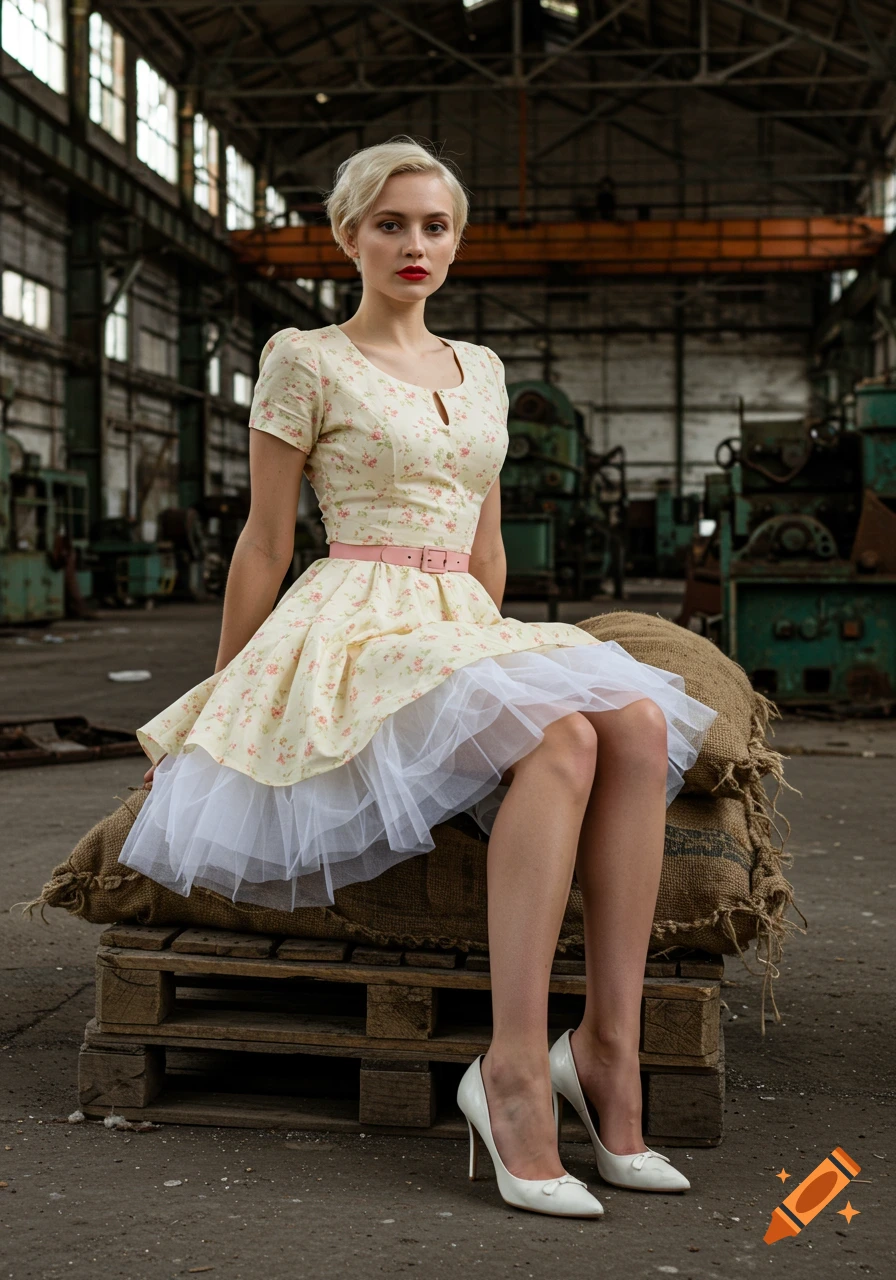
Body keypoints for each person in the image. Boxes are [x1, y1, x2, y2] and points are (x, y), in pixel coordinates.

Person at [118, 136, 717, 1219]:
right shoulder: (304, 356)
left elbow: (486, 549)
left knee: (628, 715)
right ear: (347, 235)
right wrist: (214, 702)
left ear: (456, 242)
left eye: (434, 225)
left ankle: (607, 1050)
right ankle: (512, 1072)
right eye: (389, 223)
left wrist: (498, 657)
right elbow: (262, 542)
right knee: (566, 738)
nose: (413, 244)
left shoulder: (481, 369)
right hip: (350, 615)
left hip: (458, 616)